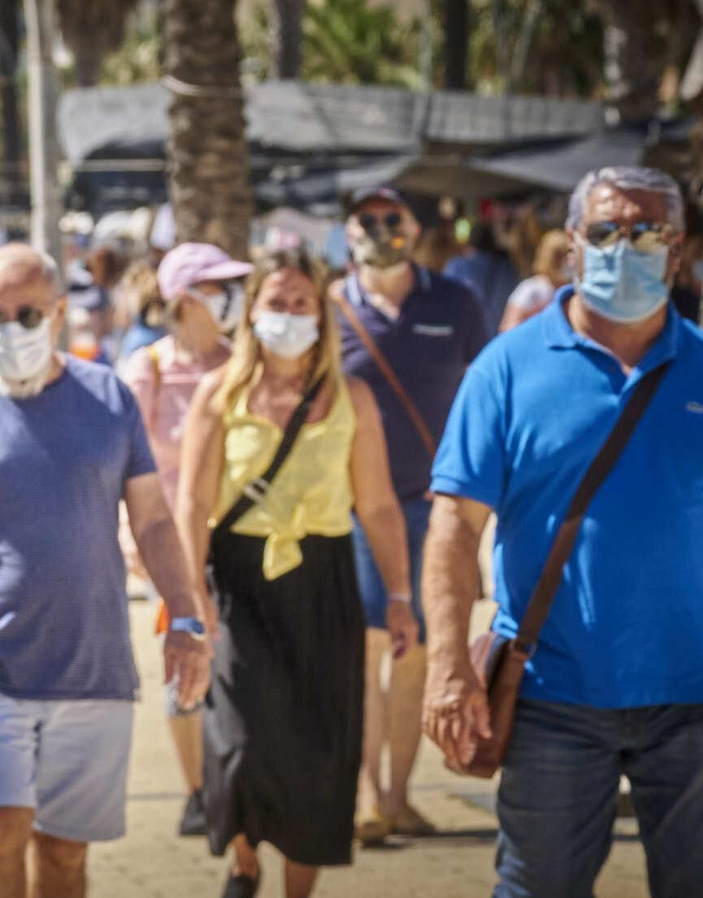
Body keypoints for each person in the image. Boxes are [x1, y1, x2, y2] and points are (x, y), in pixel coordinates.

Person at [0, 243, 211, 898]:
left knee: (65, 853)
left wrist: (184, 615)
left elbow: (152, 520)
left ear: (60, 313)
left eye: (28, 315)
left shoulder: (108, 397)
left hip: (93, 668)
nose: (10, 330)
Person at [423, 166, 703, 898]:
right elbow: (453, 525)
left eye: (648, 231)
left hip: (694, 698)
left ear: (677, 252)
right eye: (607, 230)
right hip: (553, 695)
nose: (626, 247)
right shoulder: (507, 369)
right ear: (573, 246)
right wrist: (449, 665)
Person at [177, 249, 417, 898]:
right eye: (275, 302)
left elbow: (380, 505)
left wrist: (399, 595)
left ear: (322, 313)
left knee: (316, 747)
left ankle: (296, 890)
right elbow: (193, 504)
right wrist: (190, 598)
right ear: (251, 310)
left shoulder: (351, 397)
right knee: (240, 741)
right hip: (237, 583)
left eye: (300, 303)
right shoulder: (219, 393)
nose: (287, 315)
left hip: (323, 582)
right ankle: (245, 861)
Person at [333, 185, 489, 845]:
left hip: (434, 503)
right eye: (366, 220)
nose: (379, 229)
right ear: (348, 233)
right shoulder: (329, 305)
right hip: (352, 507)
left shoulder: (454, 302)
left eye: (390, 219)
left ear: (414, 227)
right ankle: (367, 794)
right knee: (368, 646)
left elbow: (485, 392)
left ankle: (399, 795)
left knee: (420, 652)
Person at [118, 242, 250, 839]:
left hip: (241, 549)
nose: (230, 298)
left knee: (238, 669)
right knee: (185, 668)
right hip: (174, 555)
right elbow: (121, 469)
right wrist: (133, 548)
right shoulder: (146, 370)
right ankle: (198, 792)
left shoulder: (244, 364)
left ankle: (238, 784)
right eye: (217, 286)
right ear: (183, 299)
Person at [443, 220, 520, 334]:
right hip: (498, 336)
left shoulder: (457, 266)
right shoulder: (507, 268)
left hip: (468, 336)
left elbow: (446, 302)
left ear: (469, 243)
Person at [498, 230, 573, 331]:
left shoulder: (570, 291)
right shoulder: (531, 289)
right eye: (561, 257)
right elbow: (508, 328)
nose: (567, 263)